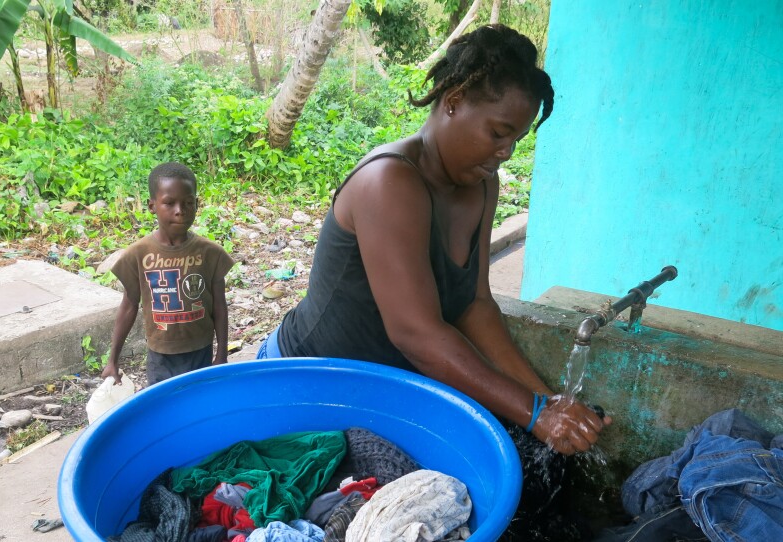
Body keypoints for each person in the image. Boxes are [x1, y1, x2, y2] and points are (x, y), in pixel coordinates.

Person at [260, 24, 612, 538]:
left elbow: (474, 305)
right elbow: (418, 335)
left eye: (517, 137)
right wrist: (535, 414)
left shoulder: (480, 185)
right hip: (304, 386)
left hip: (383, 393)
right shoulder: (390, 182)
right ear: (453, 101)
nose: (507, 151)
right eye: (498, 132)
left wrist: (549, 401)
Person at [102, 162, 235, 387]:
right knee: (165, 410)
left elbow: (220, 307)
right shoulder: (138, 254)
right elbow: (129, 305)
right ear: (152, 206)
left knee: (198, 407)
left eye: (188, 203)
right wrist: (112, 359)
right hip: (160, 357)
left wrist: (221, 354)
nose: (180, 210)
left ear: (197, 204)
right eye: (169, 203)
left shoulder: (210, 253)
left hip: (200, 351)